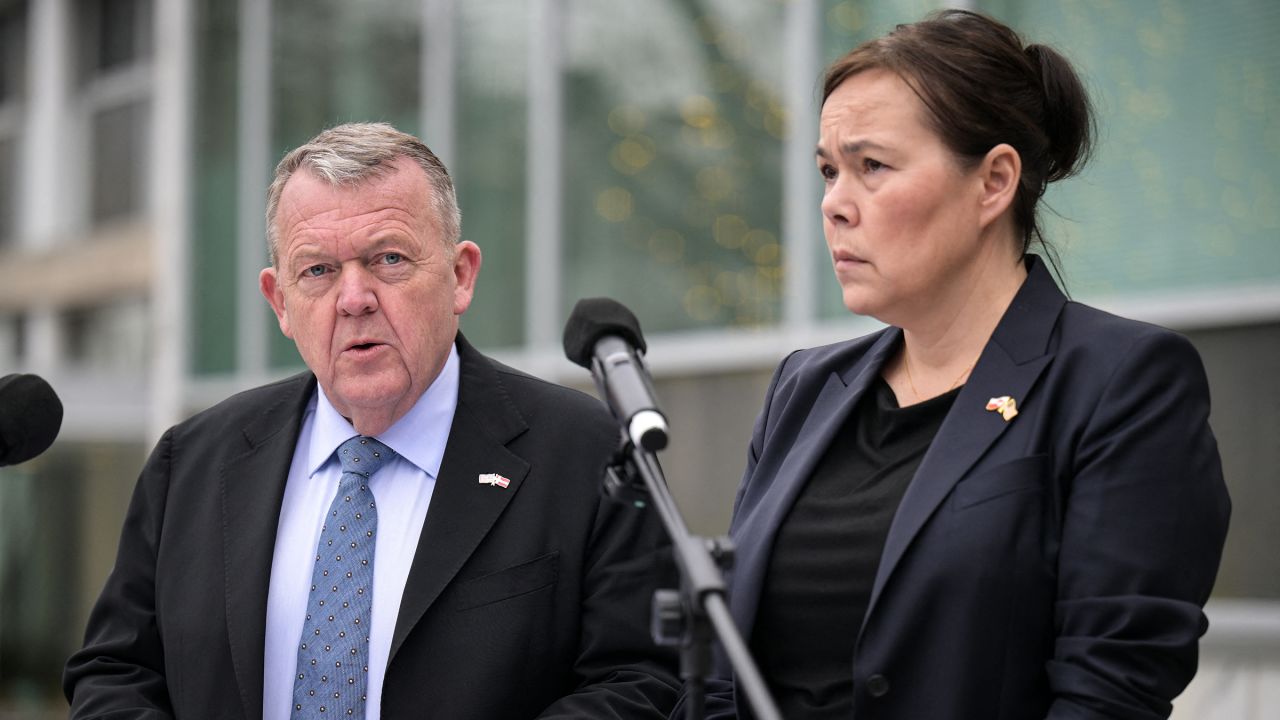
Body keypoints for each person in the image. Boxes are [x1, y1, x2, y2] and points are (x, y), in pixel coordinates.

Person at [674, 10, 1231, 720]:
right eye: (827, 171)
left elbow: (1110, 691)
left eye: (871, 166)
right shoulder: (805, 388)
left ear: (994, 182)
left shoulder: (1122, 382)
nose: (834, 205)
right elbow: (725, 671)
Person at [65, 123, 678, 719]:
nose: (354, 298)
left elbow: (639, 680)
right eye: (318, 270)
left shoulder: (584, 450)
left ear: (460, 275)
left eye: (388, 258)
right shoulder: (193, 460)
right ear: (280, 301)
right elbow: (116, 672)